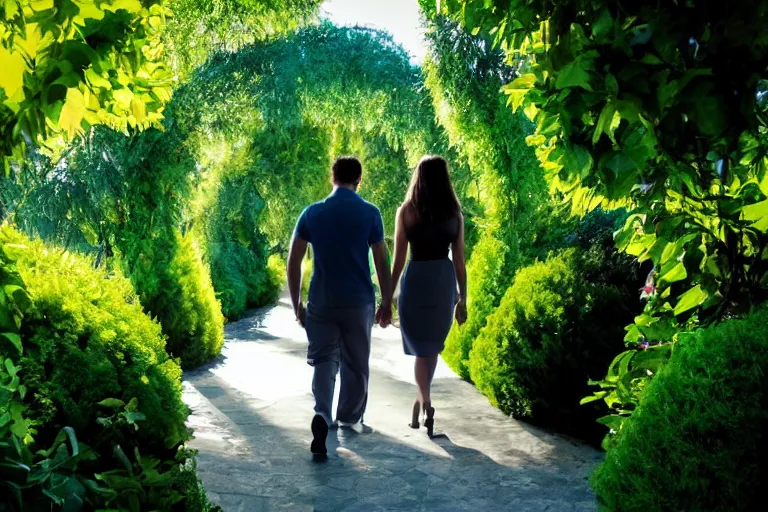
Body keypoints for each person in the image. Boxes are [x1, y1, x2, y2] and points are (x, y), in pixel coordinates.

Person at [287, 156, 393, 459]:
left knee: (324, 361)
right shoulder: (370, 213)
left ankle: (322, 414)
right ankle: (348, 416)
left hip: (322, 299)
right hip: (358, 301)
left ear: (331, 178)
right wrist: (386, 300)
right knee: (356, 363)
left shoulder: (312, 213)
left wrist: (297, 304)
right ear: (359, 180)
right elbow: (382, 259)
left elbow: (294, 261)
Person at [386, 155, 467, 438]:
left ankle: (425, 403)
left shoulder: (406, 211)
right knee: (429, 348)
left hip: (417, 279)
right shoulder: (454, 215)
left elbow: (397, 261)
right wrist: (463, 299)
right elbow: (459, 262)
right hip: (443, 283)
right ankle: (422, 401)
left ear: (418, 178)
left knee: (424, 349)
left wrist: (387, 297)